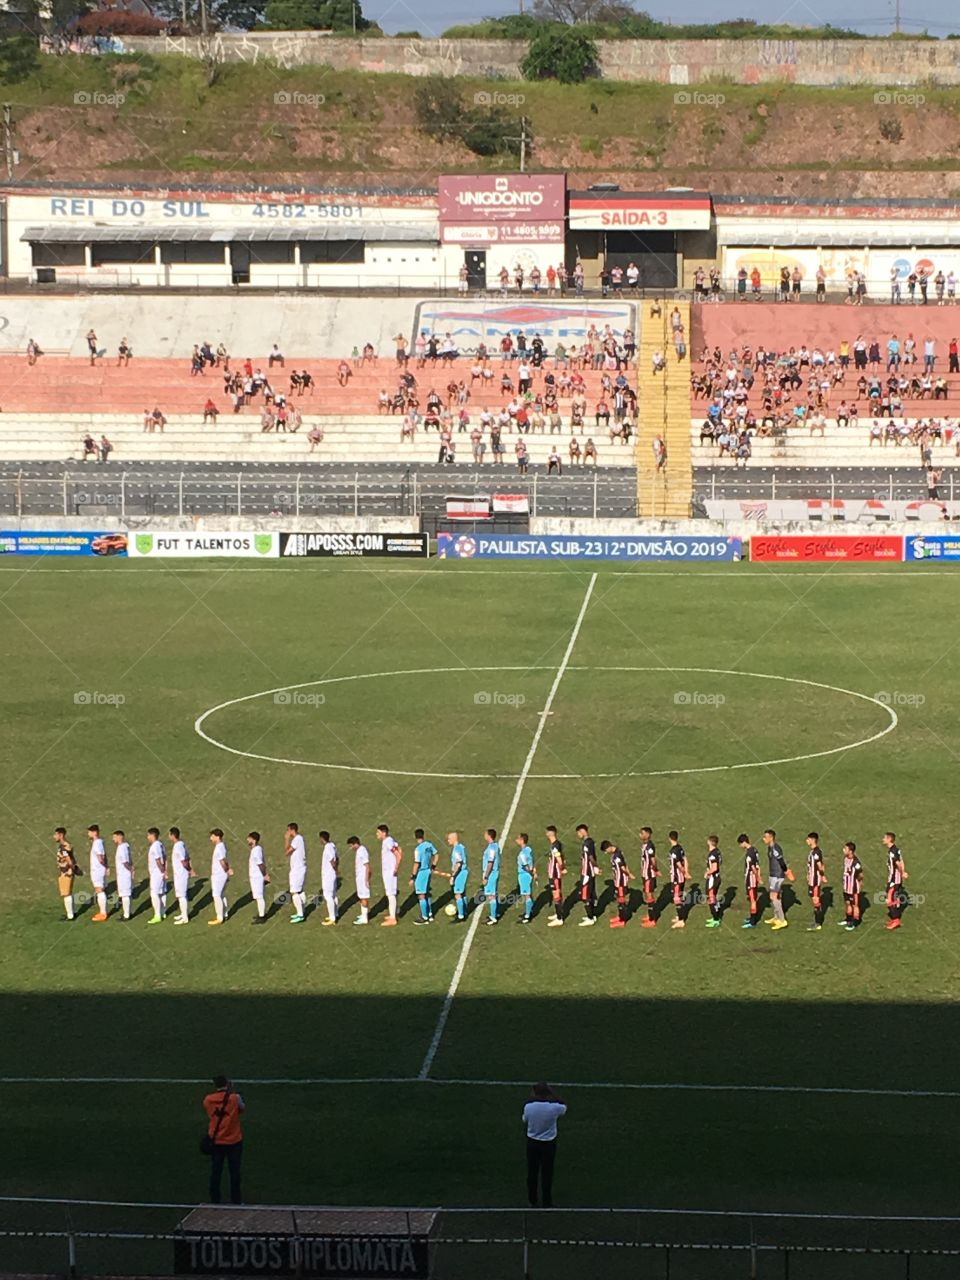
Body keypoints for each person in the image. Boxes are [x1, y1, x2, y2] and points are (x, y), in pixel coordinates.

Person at [523, 1083, 567, 1209]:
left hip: (532, 1143)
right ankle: (547, 1202)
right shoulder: (554, 1108)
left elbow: (525, 1119)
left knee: (532, 1173)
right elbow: (564, 1105)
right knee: (547, 1173)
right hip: (548, 1143)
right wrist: (553, 1094)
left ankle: (532, 1201)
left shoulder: (529, 1107)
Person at [203, 1075, 245, 1205]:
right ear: (227, 1083)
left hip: (216, 1141)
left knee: (216, 1172)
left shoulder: (208, 1100)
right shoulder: (234, 1098)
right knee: (234, 1173)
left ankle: (215, 1200)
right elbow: (242, 1108)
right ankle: (236, 1200)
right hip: (233, 1141)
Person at [761, 828, 790, 930]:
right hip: (773, 874)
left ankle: (782, 920)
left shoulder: (775, 849)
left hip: (777, 875)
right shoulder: (770, 847)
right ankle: (776, 917)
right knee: (774, 896)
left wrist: (786, 872)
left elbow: (781, 861)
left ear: (771, 838)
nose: (763, 839)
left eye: (765, 837)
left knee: (773, 896)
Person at [601, 839, 633, 929]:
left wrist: (628, 874)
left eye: (606, 851)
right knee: (619, 898)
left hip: (621, 881)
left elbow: (622, 867)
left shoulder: (617, 856)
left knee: (621, 900)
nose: (606, 853)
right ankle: (620, 917)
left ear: (608, 847)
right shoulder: (617, 853)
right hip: (618, 880)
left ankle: (622, 920)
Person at [377, 823, 402, 927]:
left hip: (390, 872)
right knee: (390, 893)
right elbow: (399, 849)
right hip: (388, 871)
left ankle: (393, 918)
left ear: (384, 833)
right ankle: (392, 914)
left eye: (378, 832)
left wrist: (396, 867)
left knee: (390, 894)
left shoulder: (387, 842)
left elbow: (398, 854)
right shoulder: (389, 841)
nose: (376, 834)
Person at [411, 828, 437, 925]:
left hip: (421, 873)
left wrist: (413, 877)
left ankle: (424, 917)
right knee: (426, 893)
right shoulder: (429, 845)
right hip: (428, 871)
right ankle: (430, 914)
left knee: (421, 895)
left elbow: (416, 863)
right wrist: (433, 866)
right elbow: (436, 855)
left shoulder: (418, 850)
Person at [883, 831, 908, 931]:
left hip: (894, 880)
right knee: (892, 898)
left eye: (884, 838)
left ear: (889, 839)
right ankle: (894, 919)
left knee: (889, 899)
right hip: (894, 879)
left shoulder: (892, 852)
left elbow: (898, 863)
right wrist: (904, 871)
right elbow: (902, 861)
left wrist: (902, 873)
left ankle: (896, 920)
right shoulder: (896, 850)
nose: (883, 839)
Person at [575, 823, 598, 926]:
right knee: (591, 893)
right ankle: (592, 915)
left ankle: (590, 918)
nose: (578, 835)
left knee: (585, 896)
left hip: (587, 873)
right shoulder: (590, 842)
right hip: (590, 872)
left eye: (579, 833)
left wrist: (595, 866)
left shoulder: (586, 844)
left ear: (583, 831)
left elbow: (591, 857)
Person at [208, 828, 233, 926]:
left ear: (217, 837)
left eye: (212, 836)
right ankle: (225, 913)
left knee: (216, 895)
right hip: (220, 874)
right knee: (221, 894)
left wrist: (227, 870)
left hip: (219, 875)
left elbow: (222, 861)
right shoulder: (221, 846)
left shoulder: (219, 847)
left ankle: (219, 917)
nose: (211, 838)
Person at [285, 822, 307, 923]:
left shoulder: (297, 839)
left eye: (288, 830)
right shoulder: (299, 839)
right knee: (300, 890)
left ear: (292, 830)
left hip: (297, 869)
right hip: (299, 867)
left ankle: (300, 914)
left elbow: (287, 852)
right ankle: (302, 910)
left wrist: (286, 839)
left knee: (294, 891)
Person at [170, 826, 193, 924]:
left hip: (181, 874)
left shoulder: (178, 846)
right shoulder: (181, 845)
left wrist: (189, 869)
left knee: (182, 895)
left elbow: (184, 860)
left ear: (172, 835)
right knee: (180, 895)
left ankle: (185, 918)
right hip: (179, 874)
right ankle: (183, 914)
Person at [54, 827, 78, 921]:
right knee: (68, 893)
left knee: (66, 894)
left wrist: (71, 869)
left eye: (56, 834)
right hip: (67, 872)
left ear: (61, 835)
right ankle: (71, 912)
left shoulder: (63, 847)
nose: (54, 837)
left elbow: (69, 859)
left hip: (66, 872)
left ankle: (70, 915)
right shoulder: (67, 845)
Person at [739, 833, 762, 928]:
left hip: (751, 878)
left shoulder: (749, 853)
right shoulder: (755, 850)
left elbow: (753, 867)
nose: (740, 846)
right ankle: (752, 917)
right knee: (753, 898)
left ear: (744, 842)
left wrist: (757, 877)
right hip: (753, 878)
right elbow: (757, 865)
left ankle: (752, 922)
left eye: (740, 844)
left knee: (752, 900)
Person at [444, 831, 468, 923]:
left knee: (457, 894)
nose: (448, 840)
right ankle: (464, 911)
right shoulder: (461, 847)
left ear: (454, 839)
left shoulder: (456, 849)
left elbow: (458, 863)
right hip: (464, 872)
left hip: (460, 873)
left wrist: (453, 876)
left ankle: (461, 916)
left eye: (449, 839)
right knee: (463, 893)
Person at [805, 832, 827, 931]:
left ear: (813, 840)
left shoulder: (816, 852)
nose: (807, 841)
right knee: (814, 900)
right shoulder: (812, 852)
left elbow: (820, 866)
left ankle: (818, 922)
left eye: (808, 839)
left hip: (815, 881)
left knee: (816, 900)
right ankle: (817, 920)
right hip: (811, 880)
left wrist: (822, 876)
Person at [88, 823, 109, 922]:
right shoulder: (99, 843)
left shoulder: (97, 843)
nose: (88, 834)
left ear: (94, 832)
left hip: (98, 870)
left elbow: (101, 858)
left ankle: (103, 913)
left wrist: (105, 866)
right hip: (99, 869)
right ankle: (102, 912)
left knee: (99, 890)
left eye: (89, 832)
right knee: (99, 890)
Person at [146, 827, 167, 924]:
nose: (147, 837)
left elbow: (158, 859)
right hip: (159, 872)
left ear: (152, 835)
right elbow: (165, 857)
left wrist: (163, 871)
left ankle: (157, 915)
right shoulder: (161, 845)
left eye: (148, 835)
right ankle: (163, 912)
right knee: (161, 892)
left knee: (154, 893)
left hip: (157, 873)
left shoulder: (155, 846)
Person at [247, 831, 269, 925]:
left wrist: (264, 875)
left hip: (257, 877)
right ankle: (261, 913)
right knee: (258, 896)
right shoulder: (256, 850)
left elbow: (260, 864)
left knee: (259, 897)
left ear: (254, 840)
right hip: (255, 876)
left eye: (249, 838)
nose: (247, 840)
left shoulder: (256, 850)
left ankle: (262, 916)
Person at [668, 831, 689, 929]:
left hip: (676, 877)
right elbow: (685, 859)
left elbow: (678, 864)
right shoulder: (680, 848)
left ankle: (681, 920)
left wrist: (684, 871)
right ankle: (680, 916)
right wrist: (686, 872)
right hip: (681, 877)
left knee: (676, 898)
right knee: (679, 896)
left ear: (669, 838)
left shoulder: (673, 851)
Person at [545, 825, 565, 927]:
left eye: (547, 832)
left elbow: (559, 859)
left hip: (555, 874)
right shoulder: (557, 844)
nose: (546, 834)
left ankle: (559, 918)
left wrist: (561, 869)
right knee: (556, 894)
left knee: (556, 894)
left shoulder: (555, 846)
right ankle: (558, 914)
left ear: (550, 833)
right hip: (554, 873)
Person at [841, 841, 863, 930]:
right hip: (846, 887)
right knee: (847, 903)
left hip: (853, 888)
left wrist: (859, 884)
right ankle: (848, 920)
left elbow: (860, 875)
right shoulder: (846, 859)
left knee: (855, 905)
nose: (843, 850)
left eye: (845, 849)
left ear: (850, 851)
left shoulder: (856, 862)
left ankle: (855, 922)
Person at [639, 827, 659, 928]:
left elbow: (653, 860)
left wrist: (655, 870)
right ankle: (650, 915)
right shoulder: (644, 845)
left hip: (649, 875)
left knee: (649, 895)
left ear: (647, 834)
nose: (640, 835)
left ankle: (652, 919)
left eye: (642, 833)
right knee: (647, 895)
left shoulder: (650, 846)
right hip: (645, 874)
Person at [350, 836, 371, 925]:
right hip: (360, 878)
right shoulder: (359, 851)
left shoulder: (362, 851)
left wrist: (366, 879)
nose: (351, 848)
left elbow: (367, 866)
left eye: (351, 845)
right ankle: (363, 914)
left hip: (363, 878)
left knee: (364, 897)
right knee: (361, 896)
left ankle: (365, 918)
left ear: (355, 844)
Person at [482, 828, 501, 924]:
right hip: (494, 873)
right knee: (493, 894)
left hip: (491, 874)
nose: (484, 835)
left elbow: (490, 862)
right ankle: (496, 913)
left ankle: (493, 918)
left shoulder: (491, 848)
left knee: (491, 896)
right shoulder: (495, 846)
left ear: (489, 836)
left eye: (485, 834)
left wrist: (486, 877)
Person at [515, 833, 536, 924]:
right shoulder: (528, 850)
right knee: (529, 894)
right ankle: (529, 911)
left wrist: (531, 873)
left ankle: (527, 916)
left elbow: (526, 866)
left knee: (526, 895)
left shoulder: (522, 854)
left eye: (518, 839)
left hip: (524, 875)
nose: (516, 840)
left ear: (522, 840)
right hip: (528, 875)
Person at [704, 835, 723, 928]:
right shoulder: (717, 852)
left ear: (709, 842)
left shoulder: (712, 854)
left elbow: (714, 867)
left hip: (713, 878)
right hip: (716, 878)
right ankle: (716, 916)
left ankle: (716, 919)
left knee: (711, 898)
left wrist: (707, 872)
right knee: (713, 897)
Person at [320, 831, 338, 926]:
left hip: (328, 875)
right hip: (332, 874)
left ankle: (332, 918)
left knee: (328, 896)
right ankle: (335, 913)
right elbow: (337, 858)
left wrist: (335, 869)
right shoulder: (333, 845)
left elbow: (332, 861)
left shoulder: (327, 848)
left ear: (322, 839)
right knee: (333, 895)